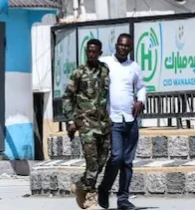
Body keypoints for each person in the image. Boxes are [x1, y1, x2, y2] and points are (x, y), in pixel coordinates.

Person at [98, 34, 147, 210]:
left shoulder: (134, 67)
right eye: (120, 45)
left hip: (130, 120)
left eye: (127, 46)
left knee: (127, 161)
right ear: (116, 45)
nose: (123, 48)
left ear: (130, 48)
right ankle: (104, 189)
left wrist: (140, 101)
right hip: (113, 119)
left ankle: (123, 199)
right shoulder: (105, 63)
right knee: (116, 157)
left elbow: (141, 87)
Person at [62, 39, 111, 210]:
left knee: (102, 160)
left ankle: (82, 184)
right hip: (86, 124)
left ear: (99, 52)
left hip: (103, 123)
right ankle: (90, 197)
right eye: (88, 51)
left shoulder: (105, 70)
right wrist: (70, 120)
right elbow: (67, 97)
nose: (91, 54)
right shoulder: (78, 73)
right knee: (92, 161)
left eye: (94, 51)